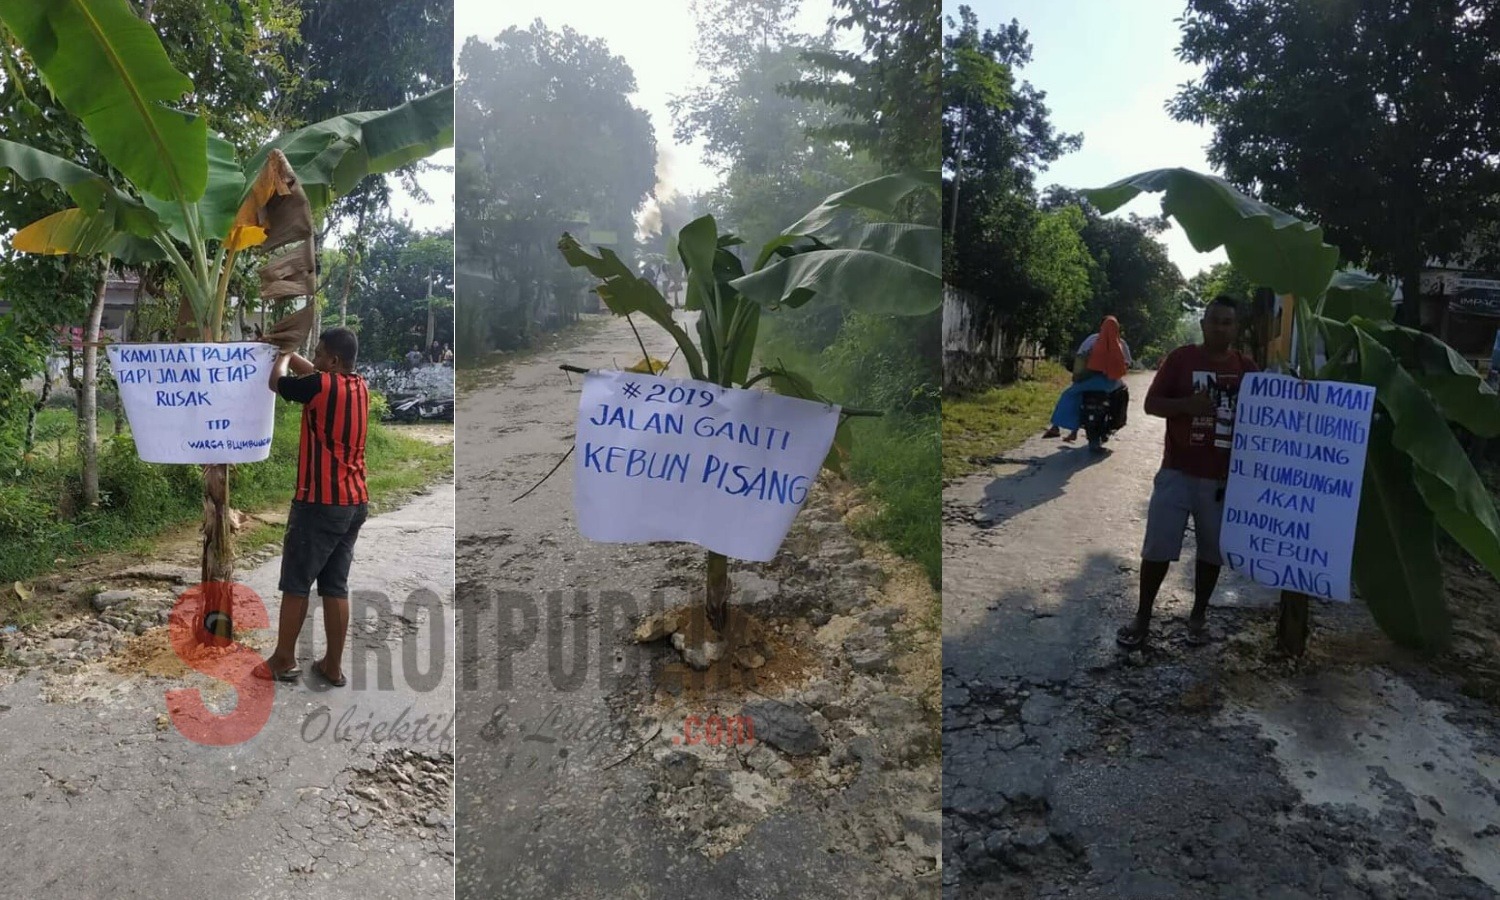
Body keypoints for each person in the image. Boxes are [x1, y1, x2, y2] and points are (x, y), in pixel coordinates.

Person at [1117, 296, 1258, 649]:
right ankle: (1143, 616)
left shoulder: (1248, 369)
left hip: (1222, 481)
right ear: (1203, 324)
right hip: (1176, 472)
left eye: (1227, 322)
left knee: (1212, 553)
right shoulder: (1181, 359)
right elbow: (1150, 404)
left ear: (1235, 327)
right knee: (1157, 548)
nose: (1220, 327)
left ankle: (1198, 617)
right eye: (1214, 320)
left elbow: (1275, 409)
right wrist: (1185, 407)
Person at [257, 327, 371, 687]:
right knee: (335, 586)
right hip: (354, 502)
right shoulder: (359, 385)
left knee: (295, 583)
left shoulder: (320, 387)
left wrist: (283, 355)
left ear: (334, 360)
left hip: (319, 503)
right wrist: (290, 350)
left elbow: (278, 382)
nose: (316, 360)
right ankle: (332, 666)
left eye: (320, 354)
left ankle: (283, 659)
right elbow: (314, 375)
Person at [1043, 316, 1132, 441]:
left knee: (1070, 395)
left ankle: (1058, 427)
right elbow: (1127, 364)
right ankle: (1116, 422)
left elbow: (1080, 358)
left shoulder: (1092, 339)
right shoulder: (1121, 343)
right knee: (1123, 393)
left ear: (1101, 327)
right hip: (1112, 383)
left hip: (1089, 381)